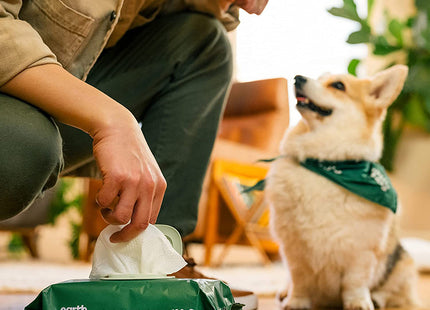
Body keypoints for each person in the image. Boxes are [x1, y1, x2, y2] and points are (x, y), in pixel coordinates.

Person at [0, 0, 268, 308]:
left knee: (205, 41)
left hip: (69, 91)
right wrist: (110, 119)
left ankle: (160, 259)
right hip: (13, 103)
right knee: (21, 154)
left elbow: (220, 21)